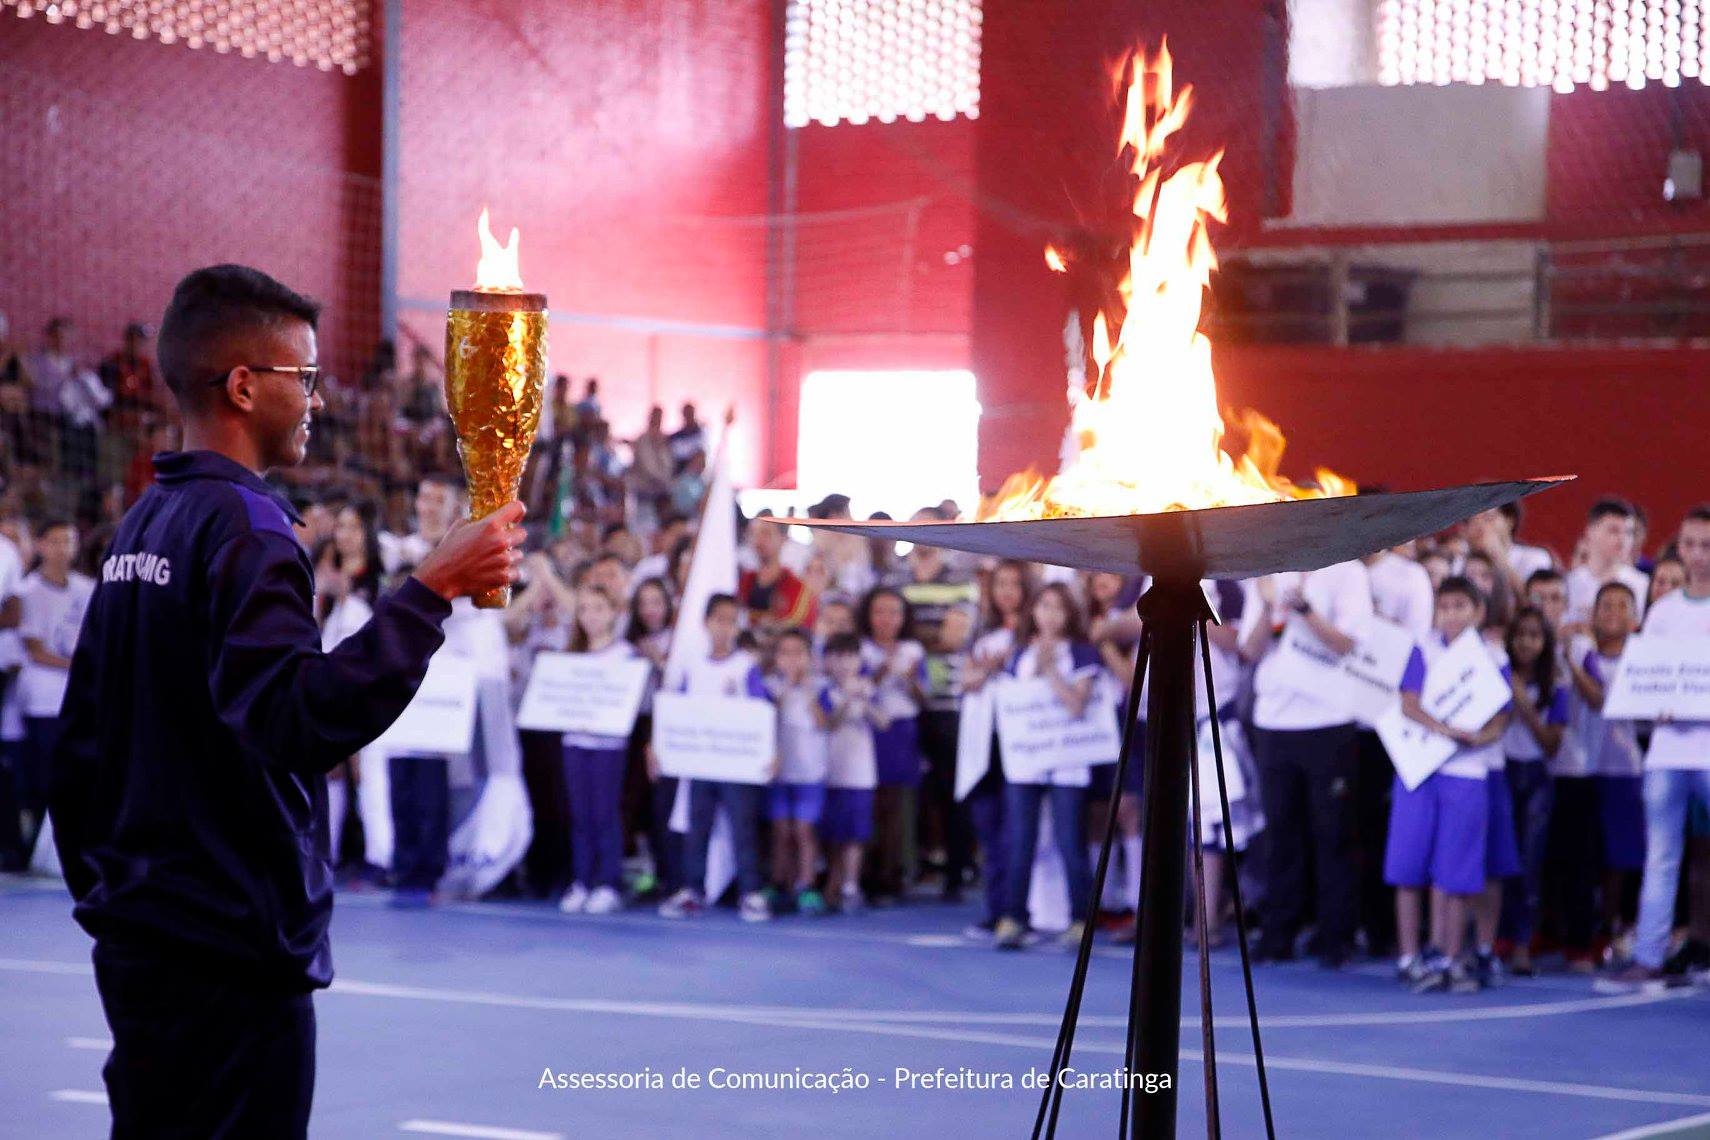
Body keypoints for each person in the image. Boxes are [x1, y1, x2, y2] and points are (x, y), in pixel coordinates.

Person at [47, 264, 525, 1138]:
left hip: (142, 932)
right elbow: (294, 719)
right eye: (303, 378)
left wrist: (112, 894)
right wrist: (428, 592)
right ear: (242, 384)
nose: (317, 400)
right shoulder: (248, 529)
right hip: (228, 943)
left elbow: (82, 741)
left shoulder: (146, 523)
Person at [1238, 559, 1374, 967]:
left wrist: (1303, 609)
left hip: (1328, 721)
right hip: (1274, 722)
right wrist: (1267, 607)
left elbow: (1348, 642)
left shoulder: (1348, 571)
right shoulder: (1267, 571)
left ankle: (1336, 935)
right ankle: (1278, 932)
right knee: (1281, 832)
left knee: (1333, 833)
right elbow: (1249, 648)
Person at [1385, 577, 1512, 994]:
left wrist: (1477, 737)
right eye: (1446, 606)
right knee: (1408, 864)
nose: (1453, 614)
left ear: (1477, 611)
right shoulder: (1424, 647)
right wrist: (1445, 730)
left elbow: (1500, 717)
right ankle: (1408, 956)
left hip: (1467, 773)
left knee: (1454, 870)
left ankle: (1449, 955)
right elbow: (1408, 701)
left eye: (1462, 606)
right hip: (1420, 769)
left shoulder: (1493, 656)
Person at [1604, 506, 1710, 991]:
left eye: (1706, 545)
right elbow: (1645, 679)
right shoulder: (1663, 611)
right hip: (1667, 753)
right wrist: (1654, 706)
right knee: (1662, 856)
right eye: (1689, 544)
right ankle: (1649, 956)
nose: (1697, 555)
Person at [994, 582, 1102, 952]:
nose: (1049, 614)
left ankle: (1080, 918)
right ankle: (1013, 917)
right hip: (1027, 760)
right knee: (1021, 839)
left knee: (1070, 839)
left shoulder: (1082, 653)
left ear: (1069, 613)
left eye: (1058, 607)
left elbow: (1077, 706)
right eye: (1043, 606)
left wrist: (1051, 670)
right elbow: (1011, 705)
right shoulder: (1018, 654)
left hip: (1066, 760)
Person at [657, 594, 773, 922]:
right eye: (719, 619)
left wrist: (770, 753)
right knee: (698, 828)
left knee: (742, 828)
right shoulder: (692, 667)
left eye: (731, 620)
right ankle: (693, 889)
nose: (724, 627)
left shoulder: (745, 668)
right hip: (700, 763)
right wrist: (661, 749)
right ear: (706, 622)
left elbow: (762, 712)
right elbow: (676, 713)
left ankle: (750, 892)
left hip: (736, 765)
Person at [960, 560, 1032, 941]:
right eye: (1000, 584)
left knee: (1018, 832)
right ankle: (995, 908)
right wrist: (986, 671)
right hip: (986, 745)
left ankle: (1017, 909)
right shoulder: (983, 634)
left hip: (1023, 745)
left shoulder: (1033, 635)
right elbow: (967, 680)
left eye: (1014, 584)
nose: (1007, 592)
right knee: (989, 831)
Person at [1494, 606, 1569, 975]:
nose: (1526, 642)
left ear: (1545, 642)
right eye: (1520, 634)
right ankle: (1495, 940)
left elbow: (1551, 745)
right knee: (1498, 861)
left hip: (1537, 777)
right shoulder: (1497, 675)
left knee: (1528, 863)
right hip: (1501, 772)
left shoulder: (1555, 686)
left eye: (1534, 635)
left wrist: (1523, 703)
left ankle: (1523, 943)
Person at [557, 585, 639, 917]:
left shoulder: (625, 655)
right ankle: (582, 879)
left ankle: (608, 882)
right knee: (580, 814)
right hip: (575, 742)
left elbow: (629, 702)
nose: (591, 616)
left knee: (605, 813)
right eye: (585, 609)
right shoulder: (570, 656)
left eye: (599, 608)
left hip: (608, 745)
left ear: (613, 613)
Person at [15, 519, 93, 860]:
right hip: (44, 698)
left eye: (69, 541)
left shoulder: (86, 588)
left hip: (78, 697)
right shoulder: (29, 591)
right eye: (57, 541)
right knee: (45, 775)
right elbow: (35, 648)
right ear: (42, 545)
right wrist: (78, 666)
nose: (64, 549)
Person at [860, 586, 927, 903]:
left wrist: (911, 680)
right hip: (868, 731)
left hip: (901, 731)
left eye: (893, 612)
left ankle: (893, 874)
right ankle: (866, 875)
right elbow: (854, 690)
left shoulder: (913, 650)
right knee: (870, 804)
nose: (886, 619)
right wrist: (878, 674)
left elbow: (923, 698)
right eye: (879, 611)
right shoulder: (861, 648)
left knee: (897, 806)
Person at [819, 631, 889, 913]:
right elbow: (827, 724)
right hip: (832, 771)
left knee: (857, 833)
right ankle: (833, 884)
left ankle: (851, 886)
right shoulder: (826, 691)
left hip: (861, 773)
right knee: (834, 833)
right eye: (838, 657)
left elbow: (884, 723)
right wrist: (846, 700)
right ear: (828, 661)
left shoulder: (869, 688)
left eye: (851, 656)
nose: (845, 663)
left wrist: (866, 702)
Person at [766, 628, 831, 915]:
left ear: (809, 657)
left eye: (798, 653)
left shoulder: (820, 687)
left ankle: (807, 884)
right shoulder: (770, 686)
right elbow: (764, 718)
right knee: (781, 830)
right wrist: (784, 691)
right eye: (785, 653)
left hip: (810, 772)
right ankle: (780, 883)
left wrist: (804, 690)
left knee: (804, 829)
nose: (792, 660)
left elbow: (823, 722)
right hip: (778, 771)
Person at [1566, 498, 1650, 628]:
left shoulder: (1642, 585)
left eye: (1628, 532)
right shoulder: (1569, 584)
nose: (1622, 540)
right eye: (1614, 530)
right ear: (1590, 531)